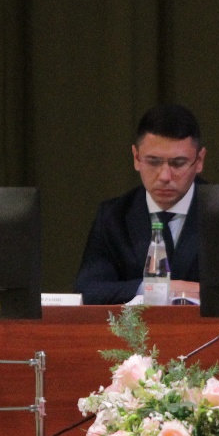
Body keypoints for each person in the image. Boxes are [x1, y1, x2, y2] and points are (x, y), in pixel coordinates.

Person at [74, 104, 205, 305]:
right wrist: (156, 289)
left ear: (199, 161)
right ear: (136, 158)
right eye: (153, 162)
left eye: (178, 163)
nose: (165, 176)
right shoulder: (113, 216)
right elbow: (88, 290)